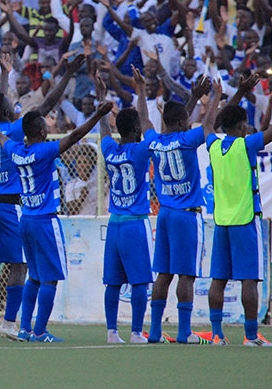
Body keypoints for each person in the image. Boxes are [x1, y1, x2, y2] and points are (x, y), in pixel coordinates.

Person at [0, 97, 112, 343]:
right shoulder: (45, 151)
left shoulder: (16, 150)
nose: (49, 126)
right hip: (46, 220)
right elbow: (75, 135)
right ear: (40, 132)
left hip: (26, 219)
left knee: (35, 277)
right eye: (45, 125)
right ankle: (40, 331)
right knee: (50, 278)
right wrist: (98, 115)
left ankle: (25, 328)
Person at [0, 54, 87, 342]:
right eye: (11, 105)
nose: (14, 105)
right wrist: (67, 75)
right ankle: (9, 322)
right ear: (7, 111)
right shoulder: (14, 130)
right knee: (20, 264)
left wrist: (5, 74)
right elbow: (47, 104)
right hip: (8, 204)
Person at [204, 73, 272, 346]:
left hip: (222, 222)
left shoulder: (214, 145)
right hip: (245, 220)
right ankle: (251, 335)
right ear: (240, 125)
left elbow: (208, 123)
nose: (248, 127)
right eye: (245, 123)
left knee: (218, 280)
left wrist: (219, 96)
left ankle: (217, 334)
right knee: (249, 280)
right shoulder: (246, 146)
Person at [144, 93, 212, 344]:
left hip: (164, 213)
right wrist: (217, 97)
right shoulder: (187, 140)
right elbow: (209, 125)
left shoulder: (154, 141)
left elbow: (144, 120)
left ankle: (154, 331)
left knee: (163, 273)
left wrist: (140, 91)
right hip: (187, 214)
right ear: (183, 122)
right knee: (186, 275)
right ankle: (184, 331)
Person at [97, 70, 153, 344]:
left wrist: (102, 98)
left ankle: (111, 332)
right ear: (136, 130)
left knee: (113, 282)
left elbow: (104, 129)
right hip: (135, 222)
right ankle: (135, 332)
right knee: (140, 280)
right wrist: (140, 91)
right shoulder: (141, 151)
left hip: (114, 224)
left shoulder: (109, 150)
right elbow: (146, 121)